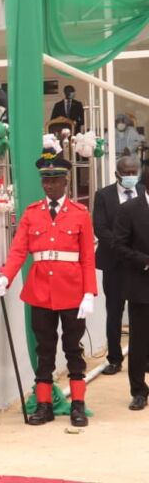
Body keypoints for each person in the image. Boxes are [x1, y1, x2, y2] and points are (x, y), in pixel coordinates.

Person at [0, 145, 96, 427]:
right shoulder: (32, 212)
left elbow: (87, 257)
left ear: (66, 182)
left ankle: (77, 404)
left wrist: (89, 292)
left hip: (72, 291)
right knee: (45, 349)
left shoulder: (80, 213)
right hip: (39, 291)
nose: (49, 185)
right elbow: (18, 251)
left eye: (55, 180)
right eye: (45, 181)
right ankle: (44, 405)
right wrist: (6, 277)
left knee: (73, 348)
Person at [93, 156, 145, 375]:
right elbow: (100, 228)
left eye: (135, 172)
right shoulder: (103, 195)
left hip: (140, 266)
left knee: (142, 314)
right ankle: (114, 358)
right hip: (114, 263)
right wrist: (122, 248)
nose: (131, 176)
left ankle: (144, 357)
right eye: (127, 173)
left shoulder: (144, 192)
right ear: (117, 174)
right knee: (114, 312)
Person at [113, 164, 149, 411]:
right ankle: (138, 391)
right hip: (141, 286)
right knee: (139, 342)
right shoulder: (129, 210)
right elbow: (118, 245)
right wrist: (145, 261)